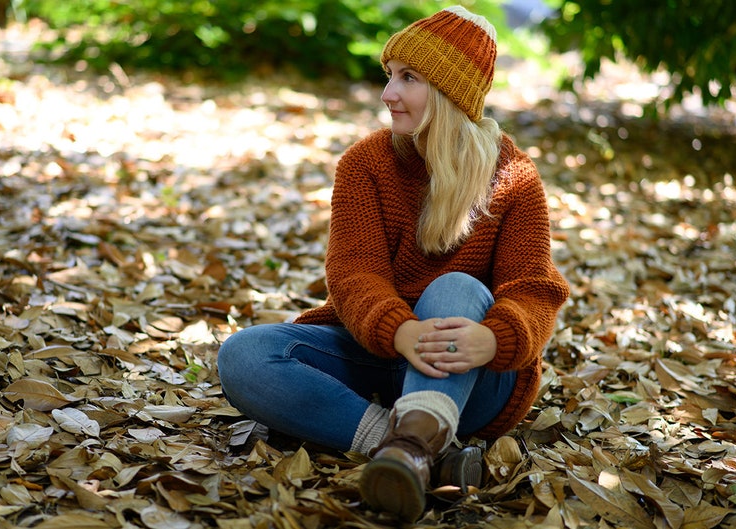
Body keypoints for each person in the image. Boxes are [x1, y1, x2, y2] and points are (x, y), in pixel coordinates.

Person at [217, 5, 570, 522]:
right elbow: (353, 275)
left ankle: (413, 441)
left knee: (455, 287)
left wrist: (494, 337)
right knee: (244, 356)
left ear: (450, 93)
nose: (388, 93)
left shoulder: (512, 176)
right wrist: (400, 332)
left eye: (408, 78)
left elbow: (533, 287)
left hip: (471, 372)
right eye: (389, 76)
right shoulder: (365, 164)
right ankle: (416, 452)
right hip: (380, 351)